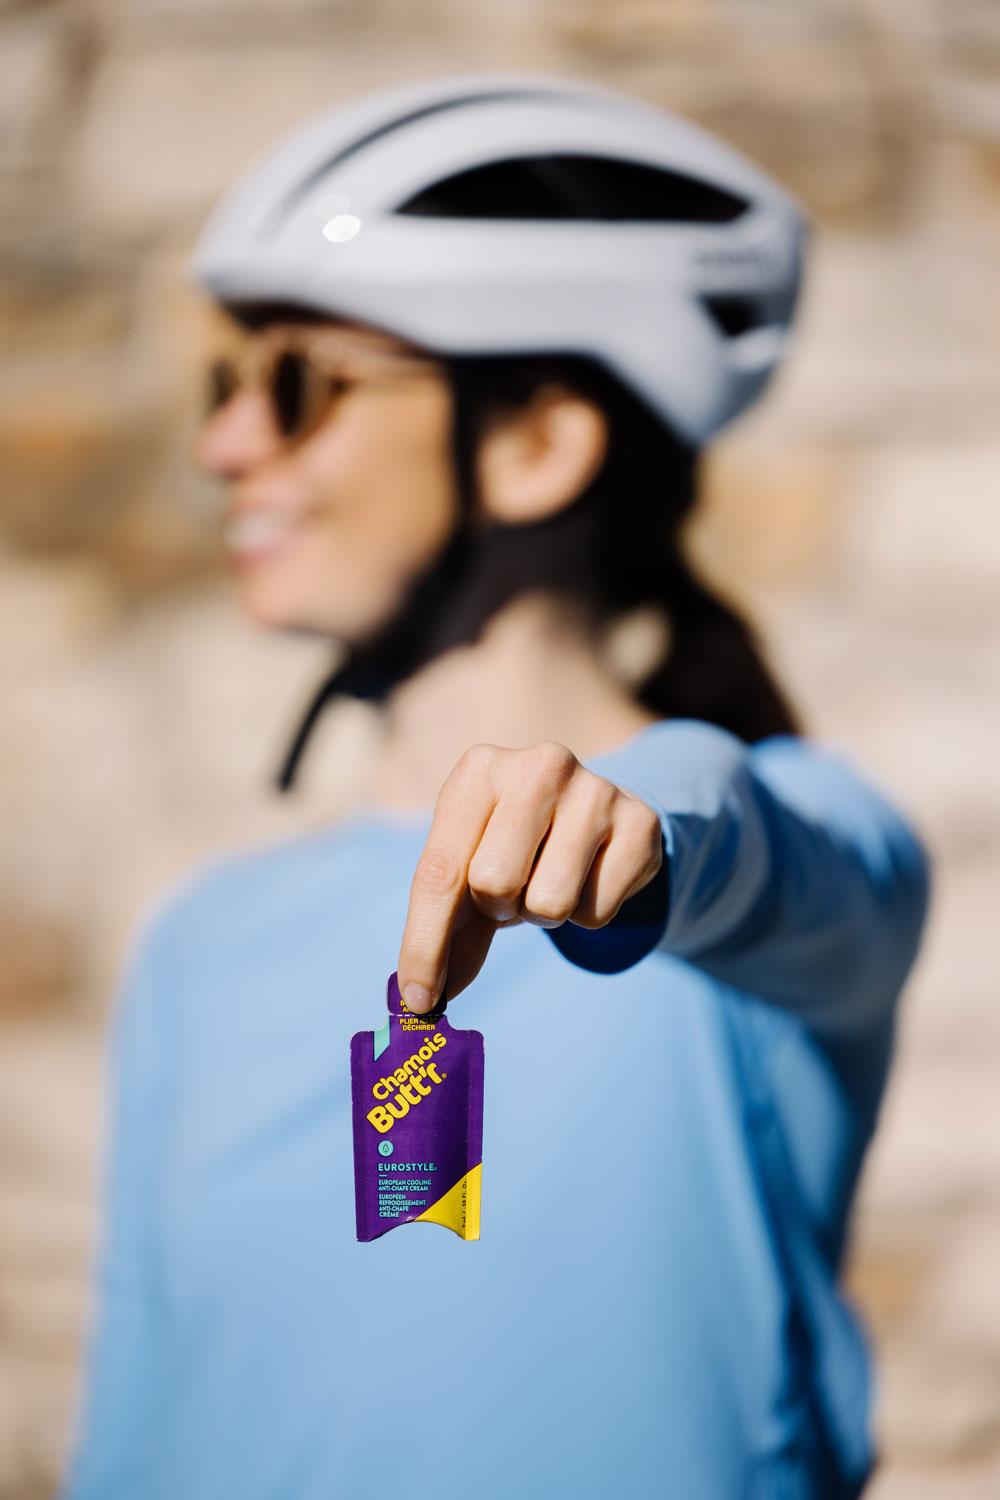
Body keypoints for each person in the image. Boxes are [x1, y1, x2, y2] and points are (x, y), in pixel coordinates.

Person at [60, 70, 931, 1500]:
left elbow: (771, 857)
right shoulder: (199, 947)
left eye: (299, 384)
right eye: (227, 384)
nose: (224, 445)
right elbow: (134, 1440)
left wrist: (653, 830)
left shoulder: (788, 846)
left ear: (538, 441)